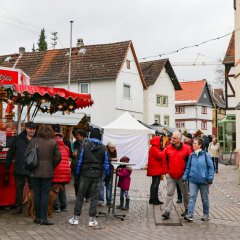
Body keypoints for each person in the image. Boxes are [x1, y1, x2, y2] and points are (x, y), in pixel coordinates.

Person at [69, 128, 110, 227]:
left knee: (80, 196)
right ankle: (92, 220)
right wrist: (107, 174)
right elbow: (106, 163)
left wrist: (78, 173)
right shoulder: (103, 147)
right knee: (95, 198)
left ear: (90, 135)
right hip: (97, 174)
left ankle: (75, 218)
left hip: (85, 174)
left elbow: (79, 161)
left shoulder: (84, 145)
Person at [25, 124, 61, 225]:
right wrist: (51, 165)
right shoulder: (53, 143)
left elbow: (26, 155)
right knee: (45, 194)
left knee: (37, 194)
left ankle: (37, 218)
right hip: (48, 172)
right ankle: (44, 218)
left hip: (35, 172)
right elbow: (58, 157)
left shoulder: (33, 141)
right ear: (50, 131)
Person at [5, 121, 37, 214]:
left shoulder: (37, 139)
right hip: (20, 167)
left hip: (32, 168)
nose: (32, 131)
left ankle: (33, 208)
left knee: (33, 188)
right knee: (19, 188)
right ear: (26, 129)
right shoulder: (18, 138)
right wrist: (7, 164)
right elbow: (11, 152)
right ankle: (19, 207)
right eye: (30, 128)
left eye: (34, 129)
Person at [161, 131, 192, 220]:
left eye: (174, 138)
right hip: (171, 175)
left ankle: (187, 209)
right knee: (169, 193)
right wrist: (166, 171)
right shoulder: (168, 148)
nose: (172, 139)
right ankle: (167, 211)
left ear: (179, 139)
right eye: (172, 138)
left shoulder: (187, 148)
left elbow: (190, 162)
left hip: (182, 175)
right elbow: (164, 160)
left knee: (185, 193)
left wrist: (187, 173)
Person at [183, 138, 214, 221]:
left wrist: (210, 178)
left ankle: (206, 214)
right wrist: (185, 177)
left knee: (204, 198)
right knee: (192, 197)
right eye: (193, 143)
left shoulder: (206, 155)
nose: (193, 145)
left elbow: (211, 167)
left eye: (195, 143)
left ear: (200, 145)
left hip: (204, 180)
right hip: (193, 180)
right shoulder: (191, 155)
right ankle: (189, 215)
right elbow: (188, 167)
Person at [52, 127, 71, 212]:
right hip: (65, 171)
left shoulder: (52, 147)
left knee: (55, 189)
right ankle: (64, 206)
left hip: (56, 171)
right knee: (62, 188)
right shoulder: (66, 147)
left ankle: (56, 207)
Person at [147, 136, 165, 205]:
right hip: (155, 169)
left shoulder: (155, 148)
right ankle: (153, 199)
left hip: (156, 169)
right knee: (155, 184)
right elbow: (160, 156)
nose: (161, 142)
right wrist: (164, 150)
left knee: (156, 184)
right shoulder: (154, 148)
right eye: (160, 141)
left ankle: (154, 198)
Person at [99, 139, 117, 207]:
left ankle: (109, 201)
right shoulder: (104, 149)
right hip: (103, 168)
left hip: (110, 168)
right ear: (108, 147)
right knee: (101, 184)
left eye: (114, 148)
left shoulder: (114, 150)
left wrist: (112, 159)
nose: (113, 149)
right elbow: (105, 159)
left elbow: (113, 159)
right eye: (112, 148)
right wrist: (111, 159)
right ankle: (101, 200)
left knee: (109, 185)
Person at [72, 129, 88, 197]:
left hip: (84, 165)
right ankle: (77, 195)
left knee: (84, 181)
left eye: (77, 135)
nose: (76, 136)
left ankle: (86, 195)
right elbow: (74, 153)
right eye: (75, 135)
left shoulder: (87, 143)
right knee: (76, 182)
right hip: (76, 164)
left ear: (82, 136)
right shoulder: (75, 143)